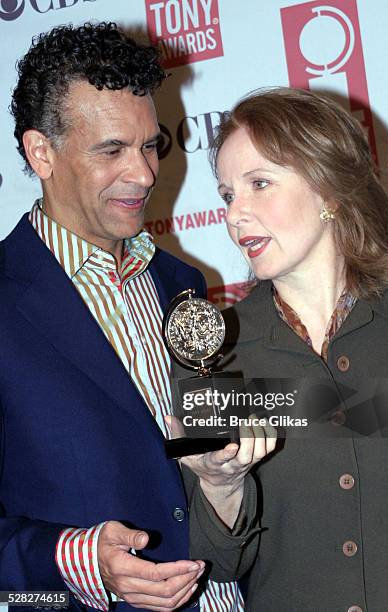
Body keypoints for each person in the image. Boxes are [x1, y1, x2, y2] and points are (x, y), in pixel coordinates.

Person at [0, 22, 243, 612]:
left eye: (149, 145)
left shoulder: (182, 284)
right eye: (112, 150)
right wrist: (78, 558)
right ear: (42, 152)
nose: (144, 174)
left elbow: (214, 451)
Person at [175, 88, 388, 611]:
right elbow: (216, 564)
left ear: (329, 187)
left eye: (259, 184)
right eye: (226, 195)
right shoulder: (216, 355)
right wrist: (221, 487)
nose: (235, 215)